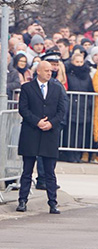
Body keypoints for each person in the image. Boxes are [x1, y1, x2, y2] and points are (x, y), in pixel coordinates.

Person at [16, 61, 67, 214]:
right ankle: (22, 200)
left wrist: (51, 123)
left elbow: (61, 110)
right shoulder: (27, 88)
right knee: (27, 170)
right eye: (46, 70)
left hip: (49, 134)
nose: (49, 73)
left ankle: (53, 202)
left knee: (50, 171)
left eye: (51, 71)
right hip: (31, 132)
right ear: (38, 71)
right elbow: (23, 109)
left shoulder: (57, 89)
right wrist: (36, 121)